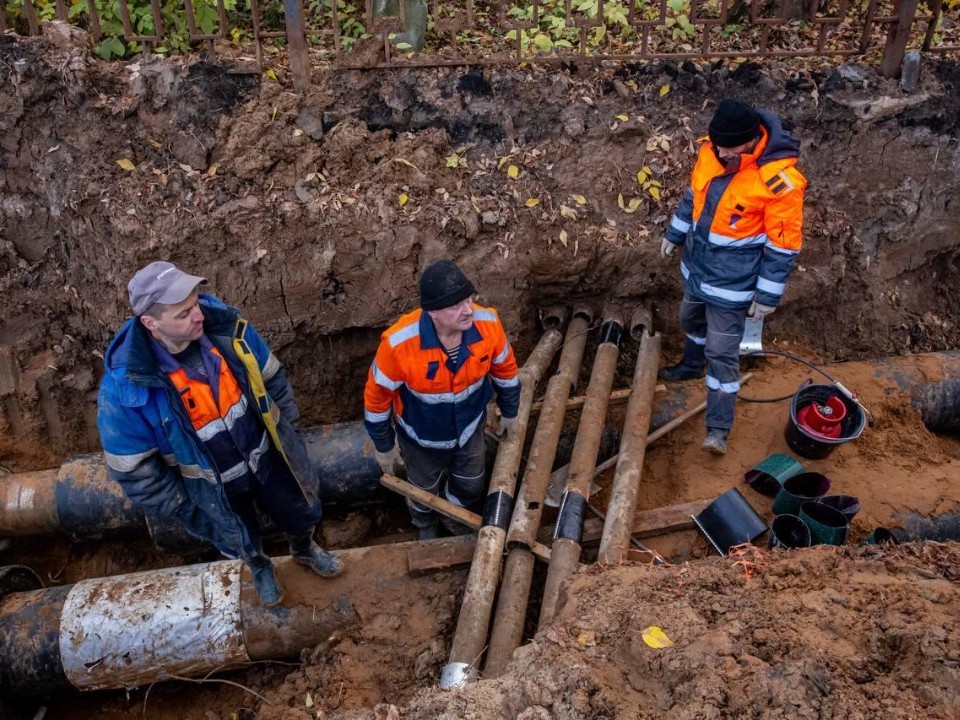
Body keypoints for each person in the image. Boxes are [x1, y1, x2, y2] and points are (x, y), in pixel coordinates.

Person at [97, 261, 343, 608]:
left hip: (267, 458)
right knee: (239, 536)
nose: (197, 315)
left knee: (299, 509)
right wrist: (185, 506)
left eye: (195, 304)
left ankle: (304, 548)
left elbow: (274, 380)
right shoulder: (125, 388)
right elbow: (132, 469)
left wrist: (289, 432)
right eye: (183, 314)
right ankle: (259, 567)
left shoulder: (230, 331)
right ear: (151, 324)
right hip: (215, 488)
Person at [660, 98, 806, 455]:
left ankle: (717, 429)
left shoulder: (778, 182)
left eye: (727, 147)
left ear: (749, 141)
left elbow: (783, 246)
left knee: (721, 352)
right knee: (689, 320)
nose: (720, 153)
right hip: (697, 269)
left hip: (732, 286)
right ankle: (692, 366)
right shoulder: (713, 152)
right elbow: (692, 197)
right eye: (717, 145)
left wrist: (767, 296)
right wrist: (674, 234)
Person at [363, 260, 521, 539]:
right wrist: (384, 446)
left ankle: (452, 517)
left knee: (471, 485)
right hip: (421, 441)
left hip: (470, 431)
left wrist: (510, 411)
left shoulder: (488, 325)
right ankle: (425, 526)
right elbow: (376, 401)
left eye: (469, 300)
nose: (468, 310)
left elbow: (506, 371)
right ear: (433, 312)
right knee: (421, 492)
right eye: (456, 306)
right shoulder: (399, 344)